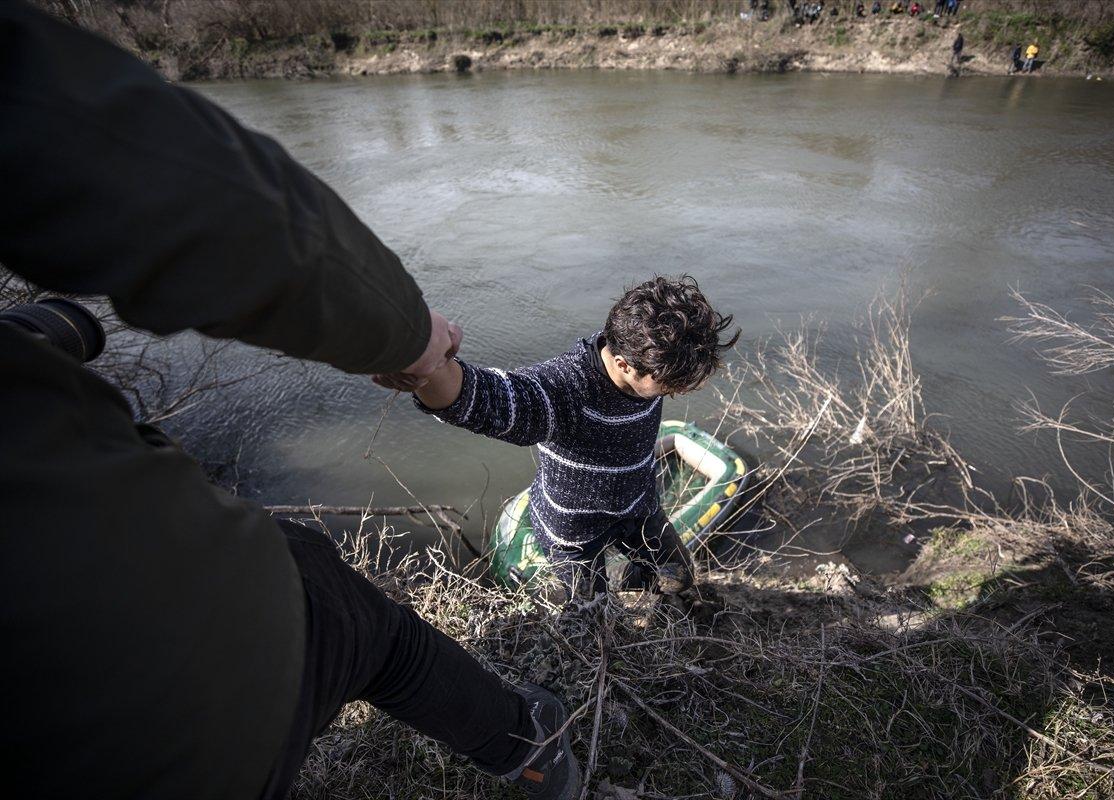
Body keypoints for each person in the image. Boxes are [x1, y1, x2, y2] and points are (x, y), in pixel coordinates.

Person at [0, 3, 580, 799]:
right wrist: (411, 340)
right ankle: (528, 747)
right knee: (360, 624)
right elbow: (190, 195)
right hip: (166, 705)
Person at [388, 277, 738, 600]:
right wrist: (429, 366)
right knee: (593, 617)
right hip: (575, 533)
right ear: (624, 364)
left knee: (679, 576)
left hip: (639, 507)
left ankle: (652, 603)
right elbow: (483, 398)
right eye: (670, 385)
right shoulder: (564, 390)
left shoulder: (654, 353)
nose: (678, 391)